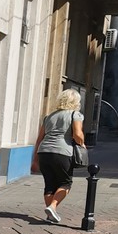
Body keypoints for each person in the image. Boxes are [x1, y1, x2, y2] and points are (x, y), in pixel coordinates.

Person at [31, 88, 85, 223]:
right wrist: (82, 143)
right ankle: (52, 206)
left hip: (44, 152)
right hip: (62, 152)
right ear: (76, 101)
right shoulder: (75, 115)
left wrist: (35, 160)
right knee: (65, 182)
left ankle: (50, 215)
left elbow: (39, 139)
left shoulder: (49, 116)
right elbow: (77, 134)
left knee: (49, 184)